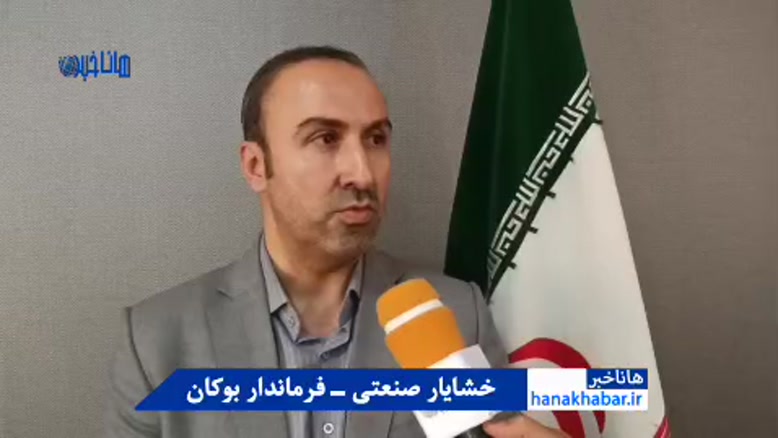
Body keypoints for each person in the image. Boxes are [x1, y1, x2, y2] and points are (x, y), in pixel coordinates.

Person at [104, 45, 567, 438]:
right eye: (325, 138)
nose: (362, 173)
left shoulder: (457, 312)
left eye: (376, 139)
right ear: (256, 166)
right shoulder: (156, 340)